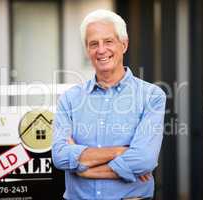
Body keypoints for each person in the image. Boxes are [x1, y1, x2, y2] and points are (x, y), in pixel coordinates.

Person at [52, 9, 166, 200]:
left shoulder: (151, 96)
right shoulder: (69, 99)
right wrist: (120, 152)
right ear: (88, 50)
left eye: (108, 41)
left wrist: (83, 170)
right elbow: (60, 156)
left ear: (124, 44)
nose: (101, 50)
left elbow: (143, 160)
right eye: (93, 44)